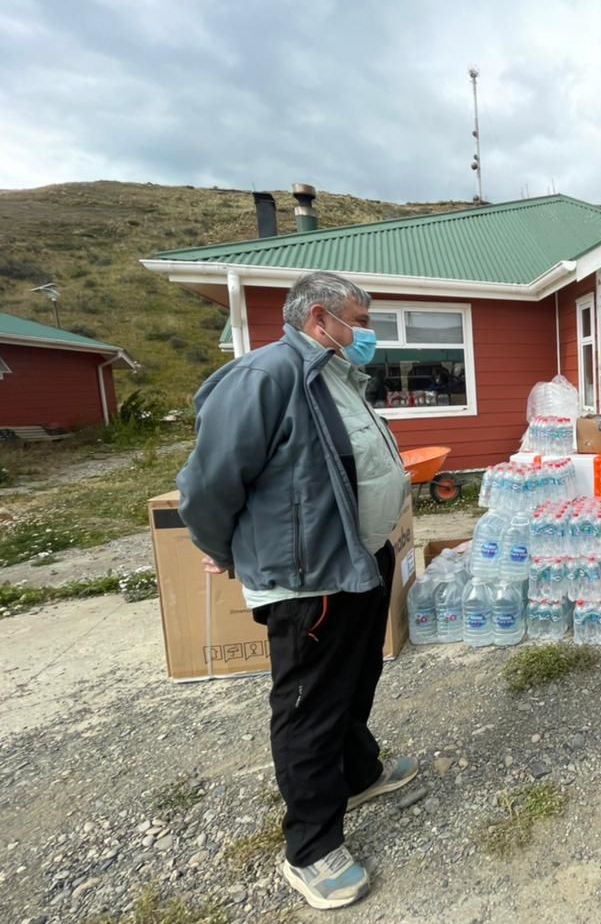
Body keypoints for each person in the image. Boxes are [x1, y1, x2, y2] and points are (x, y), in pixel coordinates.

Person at [176, 271, 417, 910]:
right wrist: (224, 549)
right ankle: (311, 847)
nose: (367, 333)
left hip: (359, 560)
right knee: (310, 703)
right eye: (359, 322)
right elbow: (208, 484)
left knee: (356, 678)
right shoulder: (266, 377)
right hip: (311, 577)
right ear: (319, 319)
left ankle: (357, 773)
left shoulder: (339, 375)